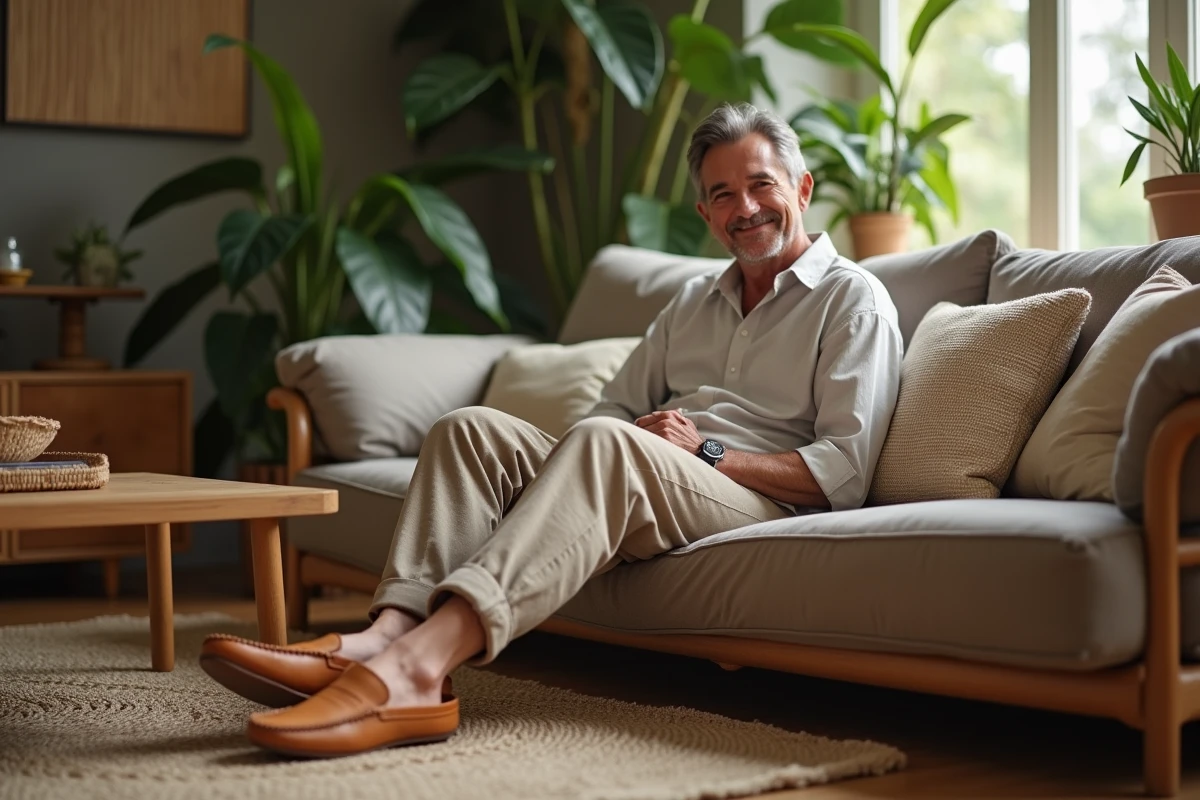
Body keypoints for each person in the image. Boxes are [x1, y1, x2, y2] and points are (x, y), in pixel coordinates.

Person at [199, 102, 904, 758]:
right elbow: (607, 412)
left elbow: (840, 474)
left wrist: (706, 451)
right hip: (654, 474)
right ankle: (385, 635)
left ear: (803, 188)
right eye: (723, 195)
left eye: (760, 185)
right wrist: (621, 446)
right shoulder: (694, 300)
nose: (744, 209)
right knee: (470, 429)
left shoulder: (853, 300)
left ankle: (418, 669)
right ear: (704, 214)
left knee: (610, 444)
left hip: (752, 499)